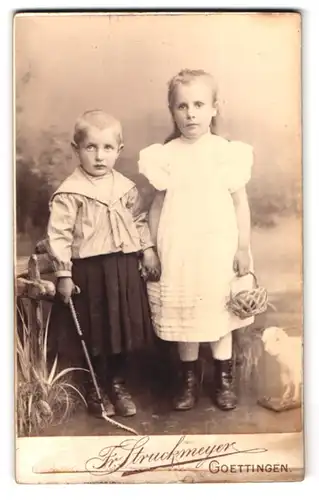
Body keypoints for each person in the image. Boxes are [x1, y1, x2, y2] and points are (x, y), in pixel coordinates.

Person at [138, 69, 255, 412]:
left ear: (215, 108)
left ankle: (223, 380)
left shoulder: (225, 153)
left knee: (219, 315)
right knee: (187, 315)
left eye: (199, 104)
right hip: (180, 251)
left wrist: (243, 247)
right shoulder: (167, 155)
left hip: (218, 249)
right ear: (172, 111)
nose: (190, 113)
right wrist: (154, 251)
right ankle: (187, 381)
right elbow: (156, 208)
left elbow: (239, 203)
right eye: (182, 106)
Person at [44, 109, 160, 418]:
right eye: (90, 147)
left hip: (122, 269)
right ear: (76, 149)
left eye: (107, 148)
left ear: (118, 151)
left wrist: (146, 249)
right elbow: (60, 235)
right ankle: (95, 387)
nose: (99, 156)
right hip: (90, 271)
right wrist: (64, 273)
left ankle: (117, 383)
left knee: (121, 329)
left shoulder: (124, 187)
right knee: (95, 331)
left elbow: (136, 221)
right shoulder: (70, 192)